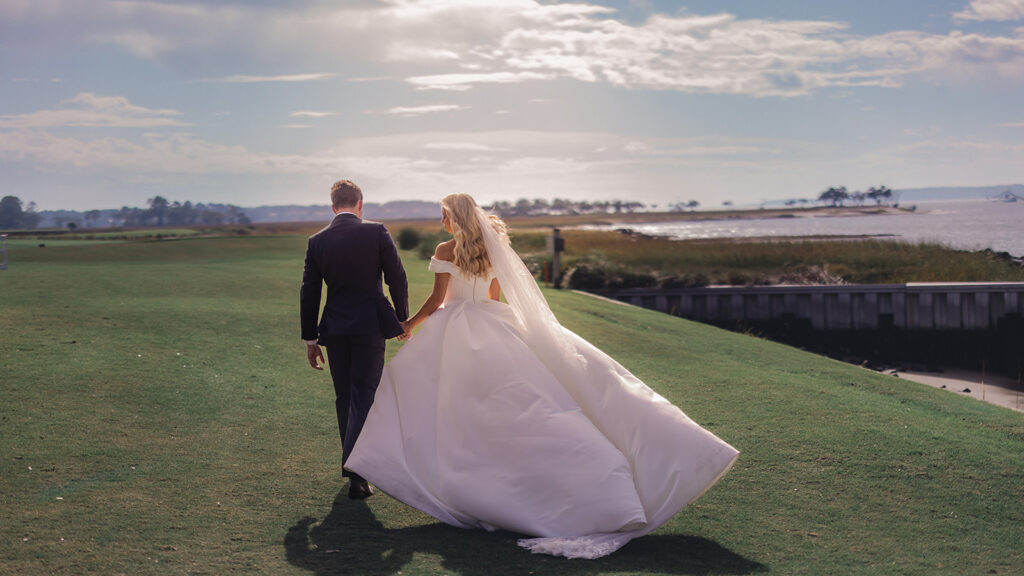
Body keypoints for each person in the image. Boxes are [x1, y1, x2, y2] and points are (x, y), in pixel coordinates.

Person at [345, 193, 738, 558]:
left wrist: (410, 325)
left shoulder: (446, 250)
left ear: (454, 217)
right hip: (494, 324)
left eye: (444, 214)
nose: (441, 221)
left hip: (458, 327)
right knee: (518, 401)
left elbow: (438, 300)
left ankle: (460, 479)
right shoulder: (492, 247)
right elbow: (494, 298)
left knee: (444, 400)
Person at [300, 180, 409, 500]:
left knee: (346, 396)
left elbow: (310, 292)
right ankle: (356, 472)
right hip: (371, 327)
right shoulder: (376, 232)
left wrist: (310, 339)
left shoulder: (316, 240)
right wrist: (402, 317)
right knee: (364, 395)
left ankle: (356, 470)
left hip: (334, 329)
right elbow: (397, 276)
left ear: (333, 206)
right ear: (360, 204)